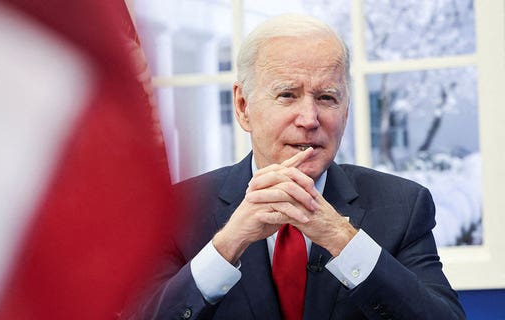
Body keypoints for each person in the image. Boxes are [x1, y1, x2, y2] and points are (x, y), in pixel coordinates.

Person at [126, 14, 466, 320]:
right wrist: (227, 245)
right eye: (287, 95)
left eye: (327, 98)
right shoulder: (176, 211)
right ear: (243, 107)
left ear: (345, 111)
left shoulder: (403, 206)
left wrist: (342, 239)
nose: (309, 120)